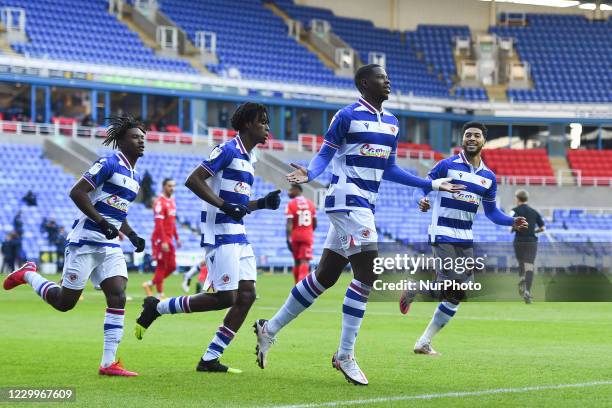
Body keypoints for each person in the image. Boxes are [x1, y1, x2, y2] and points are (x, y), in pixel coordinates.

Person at [252, 64, 464, 386]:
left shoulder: (392, 123)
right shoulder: (346, 116)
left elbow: (389, 169)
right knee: (368, 273)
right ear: (364, 83)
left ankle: (269, 330)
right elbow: (325, 155)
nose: (388, 80)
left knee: (325, 277)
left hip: (364, 203)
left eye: (388, 77)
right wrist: (310, 173)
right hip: (346, 199)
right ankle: (345, 355)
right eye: (381, 77)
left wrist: (430, 185)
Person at [134, 102, 281, 374]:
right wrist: (225, 206)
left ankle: (210, 358)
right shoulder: (227, 150)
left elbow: (238, 204)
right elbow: (194, 179)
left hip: (239, 235)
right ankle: (158, 306)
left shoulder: (251, 159)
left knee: (247, 296)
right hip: (220, 234)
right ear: (248, 124)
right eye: (262, 122)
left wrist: (261, 203)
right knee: (225, 298)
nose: (267, 128)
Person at [3, 115, 147, 376]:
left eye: (142, 137)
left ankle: (108, 363)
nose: (141, 141)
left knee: (118, 294)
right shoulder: (108, 163)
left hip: (109, 245)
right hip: (84, 242)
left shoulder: (134, 176)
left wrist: (132, 234)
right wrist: (101, 222)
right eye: (135, 137)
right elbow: (77, 192)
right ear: (121, 141)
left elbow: (118, 212)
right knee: (64, 302)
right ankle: (27, 273)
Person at [398, 121, 528, 356]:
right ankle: (414, 290)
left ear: (483, 141)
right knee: (453, 284)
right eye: (467, 135)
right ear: (462, 140)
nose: (471, 138)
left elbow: (492, 214)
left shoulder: (488, 177)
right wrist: (422, 200)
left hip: (466, 237)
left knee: (458, 294)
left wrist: (512, 221)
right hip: (442, 232)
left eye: (476, 135)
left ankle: (423, 341)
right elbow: (422, 187)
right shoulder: (446, 166)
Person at [143, 178, 180, 299]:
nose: (172, 188)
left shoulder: (172, 201)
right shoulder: (159, 202)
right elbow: (159, 224)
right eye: (170, 186)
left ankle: (150, 284)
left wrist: (177, 237)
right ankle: (160, 294)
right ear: (164, 186)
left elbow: (172, 222)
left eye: (173, 186)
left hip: (169, 239)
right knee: (161, 265)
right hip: (160, 239)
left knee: (173, 266)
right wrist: (163, 241)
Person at [510, 189, 545, 304]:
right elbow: (543, 228)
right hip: (531, 241)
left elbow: (510, 227)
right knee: (529, 265)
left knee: (521, 262)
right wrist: (533, 231)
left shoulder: (514, 211)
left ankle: (521, 278)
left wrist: (514, 228)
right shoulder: (534, 212)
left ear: (517, 199)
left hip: (519, 240)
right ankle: (527, 291)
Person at [285, 184, 317, 283]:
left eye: (290, 190)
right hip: (307, 236)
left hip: (295, 236)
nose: (288, 192)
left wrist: (288, 239)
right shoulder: (310, 203)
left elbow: (289, 223)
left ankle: (296, 287)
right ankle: (301, 290)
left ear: (297, 190)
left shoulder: (291, 204)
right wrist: (308, 231)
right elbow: (315, 223)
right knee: (304, 261)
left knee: (297, 262)